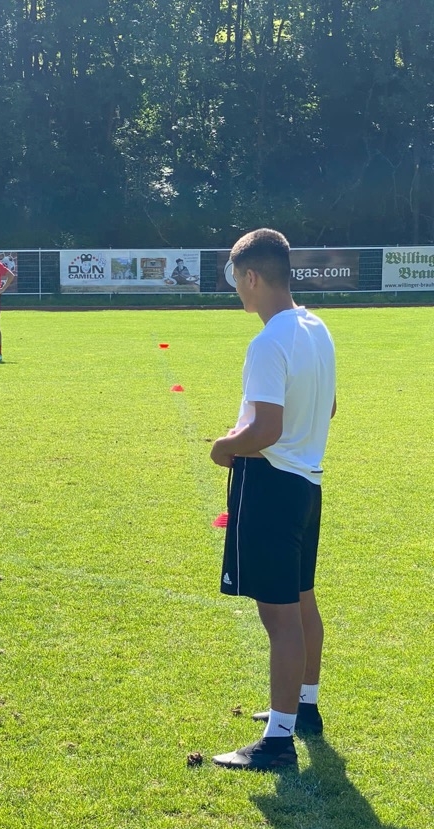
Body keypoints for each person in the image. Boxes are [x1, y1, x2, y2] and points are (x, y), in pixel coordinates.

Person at [209, 229, 337, 771]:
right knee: (302, 602)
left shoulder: (268, 341)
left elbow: (265, 429)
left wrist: (224, 447)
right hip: (307, 483)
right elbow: (329, 408)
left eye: (237, 280)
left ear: (252, 277)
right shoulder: (316, 327)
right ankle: (304, 708)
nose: (237, 290)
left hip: (271, 484)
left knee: (279, 617)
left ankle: (278, 740)